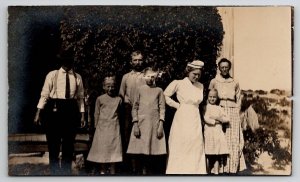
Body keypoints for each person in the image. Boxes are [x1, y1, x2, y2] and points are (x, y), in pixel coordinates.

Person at [34, 49, 85, 175]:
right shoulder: (52, 75)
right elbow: (44, 95)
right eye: (65, 61)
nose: (67, 63)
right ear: (61, 61)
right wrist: (38, 113)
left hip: (71, 110)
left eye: (70, 61)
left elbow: (80, 98)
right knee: (53, 145)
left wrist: (82, 115)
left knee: (68, 146)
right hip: (54, 110)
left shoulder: (77, 77)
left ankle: (66, 174)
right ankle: (55, 174)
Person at [164, 60, 206, 174]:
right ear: (188, 72)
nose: (196, 77)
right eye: (194, 74)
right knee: (181, 142)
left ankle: (194, 171)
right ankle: (177, 171)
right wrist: (177, 105)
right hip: (182, 116)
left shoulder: (200, 86)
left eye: (199, 74)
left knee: (194, 143)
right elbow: (165, 95)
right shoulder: (178, 83)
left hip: (195, 117)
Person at [209, 58, 246, 174]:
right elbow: (210, 97)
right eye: (222, 67)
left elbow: (239, 99)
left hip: (233, 112)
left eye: (226, 67)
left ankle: (232, 168)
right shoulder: (214, 81)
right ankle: (218, 168)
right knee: (220, 138)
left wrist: (236, 112)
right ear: (219, 68)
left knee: (233, 139)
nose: (224, 69)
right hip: (219, 110)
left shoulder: (235, 82)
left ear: (229, 68)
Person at [127, 68, 167, 175]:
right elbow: (134, 107)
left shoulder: (159, 90)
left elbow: (162, 108)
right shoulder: (140, 90)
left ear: (155, 77)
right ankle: (140, 174)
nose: (150, 79)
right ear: (144, 77)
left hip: (154, 124)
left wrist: (161, 124)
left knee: (152, 150)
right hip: (141, 124)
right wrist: (135, 124)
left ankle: (151, 174)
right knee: (140, 151)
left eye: (152, 76)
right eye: (148, 76)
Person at [87, 76, 123, 175]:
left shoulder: (118, 100)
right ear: (103, 87)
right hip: (102, 128)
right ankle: (102, 171)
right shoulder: (100, 99)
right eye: (108, 86)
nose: (110, 88)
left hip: (114, 127)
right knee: (102, 150)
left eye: (112, 86)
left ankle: (112, 172)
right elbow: (96, 113)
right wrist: (96, 126)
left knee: (113, 149)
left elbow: (120, 113)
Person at [119, 50, 146, 173]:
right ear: (131, 61)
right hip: (128, 109)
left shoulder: (147, 76)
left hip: (143, 110)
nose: (137, 62)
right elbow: (121, 94)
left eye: (140, 60)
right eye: (135, 60)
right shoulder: (126, 77)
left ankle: (141, 168)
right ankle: (127, 168)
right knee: (127, 137)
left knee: (141, 137)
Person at [204, 89, 230, 174]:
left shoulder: (219, 108)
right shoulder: (207, 107)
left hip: (217, 132)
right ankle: (207, 171)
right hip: (209, 131)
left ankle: (216, 172)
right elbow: (206, 118)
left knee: (217, 153)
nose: (212, 99)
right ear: (208, 97)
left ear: (217, 98)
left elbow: (227, 118)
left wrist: (220, 119)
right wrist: (214, 121)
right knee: (208, 152)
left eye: (214, 97)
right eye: (210, 97)